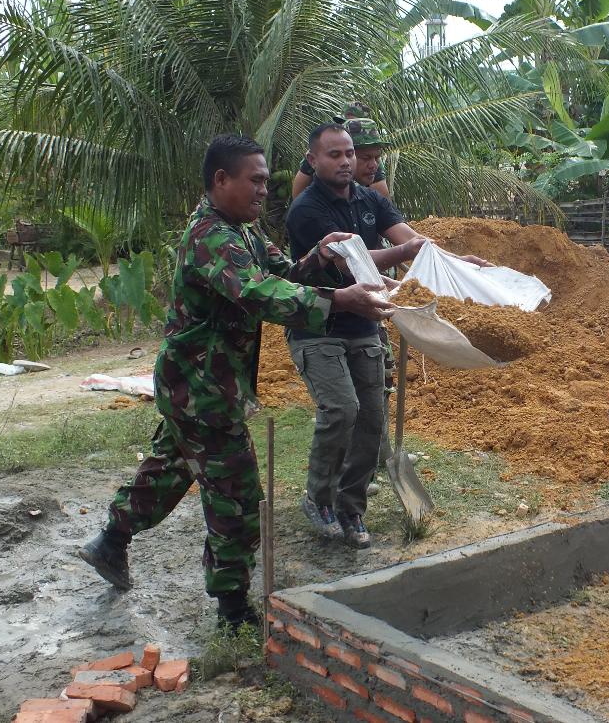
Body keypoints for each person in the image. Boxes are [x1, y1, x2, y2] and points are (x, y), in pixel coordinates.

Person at [78, 135, 393, 630]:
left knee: (169, 469)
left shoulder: (242, 231)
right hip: (203, 390)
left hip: (199, 384)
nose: (265, 190)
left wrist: (320, 255)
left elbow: (283, 272)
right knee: (238, 500)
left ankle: (110, 542)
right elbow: (259, 293)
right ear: (221, 180)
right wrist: (339, 301)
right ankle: (232, 611)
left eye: (267, 180)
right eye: (257, 180)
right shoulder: (211, 237)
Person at [286, 122, 487, 548]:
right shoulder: (305, 211)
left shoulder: (369, 199)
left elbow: (412, 240)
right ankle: (319, 497)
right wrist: (402, 254)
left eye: (349, 154)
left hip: (365, 322)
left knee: (372, 418)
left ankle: (351, 507)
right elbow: (350, 263)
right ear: (313, 160)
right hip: (318, 324)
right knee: (342, 409)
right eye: (334, 155)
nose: (345, 162)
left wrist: (456, 263)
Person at [291, 103, 389, 199]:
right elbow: (299, 190)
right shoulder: (322, 152)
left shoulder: (371, 160)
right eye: (342, 122)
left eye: (354, 125)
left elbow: (382, 199)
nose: (343, 127)